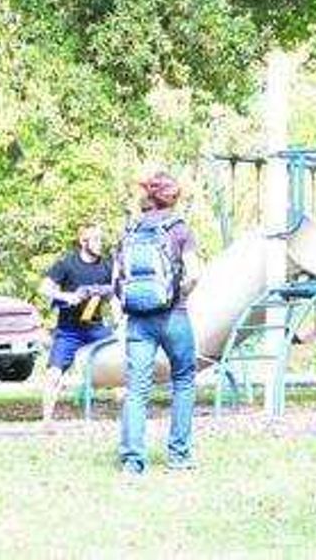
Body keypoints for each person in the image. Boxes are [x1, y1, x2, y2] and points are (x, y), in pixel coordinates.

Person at [117, 171, 201, 474]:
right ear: (173, 197)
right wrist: (179, 295)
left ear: (148, 197)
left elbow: (119, 276)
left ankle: (133, 462)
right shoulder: (180, 230)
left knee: (137, 390)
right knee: (183, 380)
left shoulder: (131, 229)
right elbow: (193, 274)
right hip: (173, 316)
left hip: (138, 319)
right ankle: (179, 456)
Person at [37, 224, 116, 423]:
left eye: (101, 239)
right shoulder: (67, 263)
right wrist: (66, 296)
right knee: (53, 375)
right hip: (68, 331)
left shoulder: (107, 265)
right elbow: (44, 288)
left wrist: (119, 317)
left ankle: (124, 418)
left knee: (125, 359)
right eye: (96, 239)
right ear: (83, 242)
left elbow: (115, 295)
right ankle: (46, 422)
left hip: (97, 329)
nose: (100, 243)